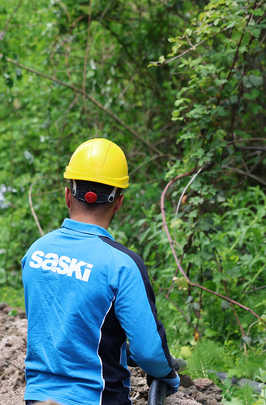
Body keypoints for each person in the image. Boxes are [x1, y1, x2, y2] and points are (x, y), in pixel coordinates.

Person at [21, 138, 179, 405]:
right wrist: (169, 375)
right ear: (118, 203)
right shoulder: (121, 265)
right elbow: (150, 353)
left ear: (67, 195)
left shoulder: (35, 253)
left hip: (37, 398)